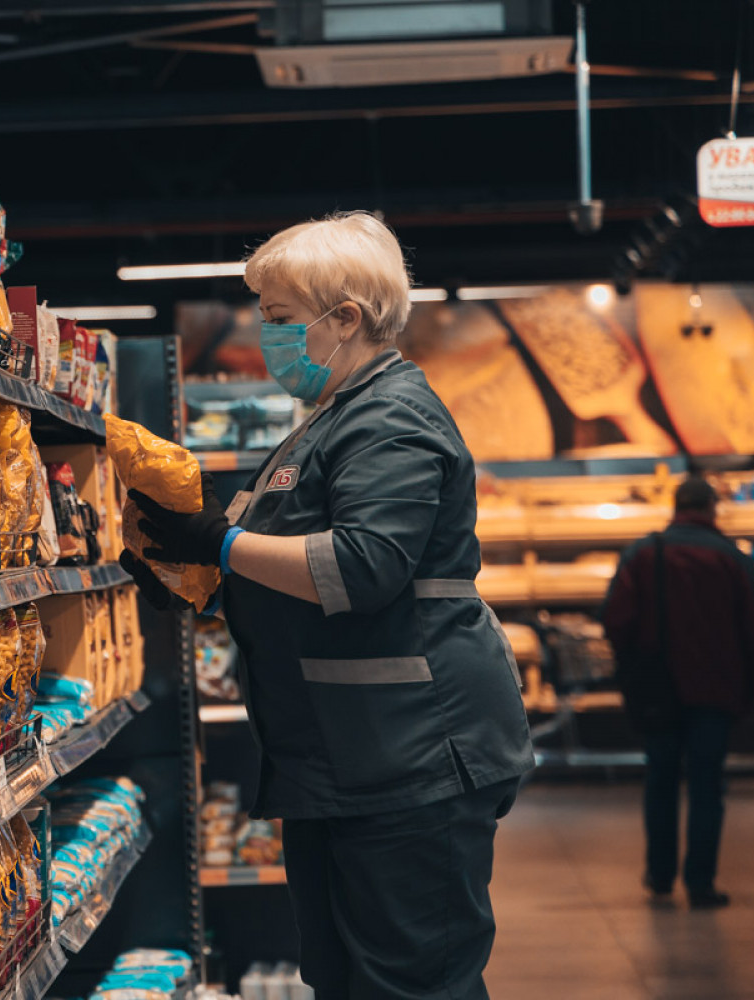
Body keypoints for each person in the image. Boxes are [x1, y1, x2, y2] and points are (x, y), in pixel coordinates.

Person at [120, 212, 534, 1000]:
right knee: (345, 978)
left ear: (345, 318)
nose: (265, 334)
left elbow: (364, 567)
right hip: (348, 754)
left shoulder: (390, 418)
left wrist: (220, 544)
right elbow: (288, 575)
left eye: (278, 316)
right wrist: (199, 580)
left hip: (412, 751)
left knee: (413, 981)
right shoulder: (331, 421)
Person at [600, 475, 754, 909]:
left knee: (660, 780)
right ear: (712, 509)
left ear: (675, 507)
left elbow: (615, 618)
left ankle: (660, 876)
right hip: (716, 691)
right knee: (707, 785)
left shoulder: (644, 553)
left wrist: (634, 666)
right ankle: (701, 882)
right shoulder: (732, 559)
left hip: (658, 689)